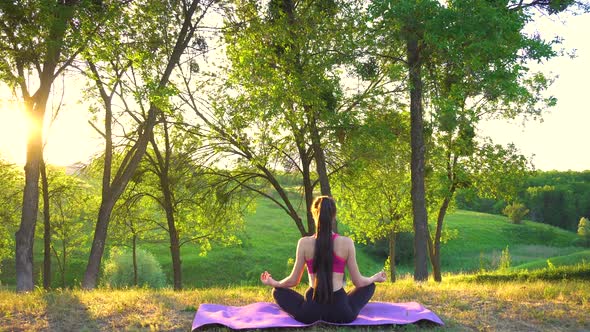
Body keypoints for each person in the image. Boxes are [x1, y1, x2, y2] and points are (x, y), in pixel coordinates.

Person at [260, 195, 387, 324]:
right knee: (369, 286)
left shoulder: (304, 243)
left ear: (314, 215)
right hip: (342, 313)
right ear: (334, 216)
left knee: (278, 292)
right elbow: (359, 282)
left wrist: (273, 283)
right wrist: (374, 278)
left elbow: (293, 281)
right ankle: (345, 303)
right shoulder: (347, 243)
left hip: (310, 313)